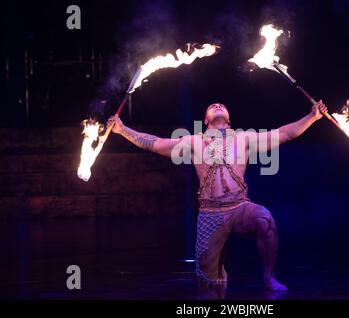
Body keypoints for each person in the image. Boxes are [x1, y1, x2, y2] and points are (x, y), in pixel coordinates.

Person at [107, 100, 328, 291]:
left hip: (240, 206)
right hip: (209, 212)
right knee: (209, 282)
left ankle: (268, 276)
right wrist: (122, 130)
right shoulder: (193, 141)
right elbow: (156, 143)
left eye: (221, 105)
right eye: (212, 106)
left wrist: (313, 116)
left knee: (265, 219)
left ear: (229, 119)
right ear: (206, 120)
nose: (217, 105)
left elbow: (285, 134)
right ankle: (217, 270)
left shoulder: (244, 139)